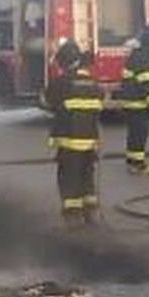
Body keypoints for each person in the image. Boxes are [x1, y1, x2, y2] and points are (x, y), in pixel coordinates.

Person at [43, 40, 103, 227]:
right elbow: (99, 102)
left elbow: (47, 100)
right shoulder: (93, 83)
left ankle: (73, 214)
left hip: (69, 141)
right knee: (87, 174)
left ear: (63, 62)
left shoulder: (62, 82)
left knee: (69, 176)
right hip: (90, 140)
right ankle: (91, 211)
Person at [120, 28, 149, 174]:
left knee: (134, 133)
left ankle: (132, 161)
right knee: (140, 134)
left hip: (130, 101)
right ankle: (138, 164)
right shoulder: (144, 57)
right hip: (138, 102)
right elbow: (146, 82)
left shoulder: (137, 54)